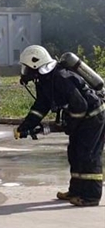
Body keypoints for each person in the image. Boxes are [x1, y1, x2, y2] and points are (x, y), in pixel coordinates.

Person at [15, 45, 104, 207]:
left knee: (88, 155)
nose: (24, 71)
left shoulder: (61, 78)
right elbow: (41, 105)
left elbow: (80, 106)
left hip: (93, 118)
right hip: (81, 118)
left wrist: (69, 125)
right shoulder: (44, 80)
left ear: (36, 63)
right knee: (74, 153)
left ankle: (91, 196)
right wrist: (26, 125)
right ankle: (77, 191)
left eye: (26, 67)